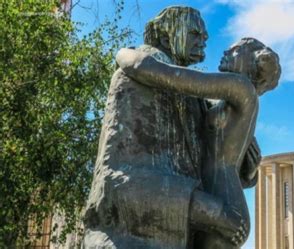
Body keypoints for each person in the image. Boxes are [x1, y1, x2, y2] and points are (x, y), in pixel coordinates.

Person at [83, 7, 258, 248]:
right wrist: (208, 210)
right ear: (166, 38)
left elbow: (208, 160)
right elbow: (116, 183)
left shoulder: (193, 96)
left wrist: (246, 165)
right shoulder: (132, 80)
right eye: (195, 34)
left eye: (205, 36)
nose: (204, 40)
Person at [116, 37, 281, 248]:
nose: (225, 52)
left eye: (235, 50)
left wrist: (123, 53)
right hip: (218, 199)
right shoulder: (230, 103)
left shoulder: (240, 86)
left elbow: (160, 74)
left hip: (224, 206)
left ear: (251, 61)